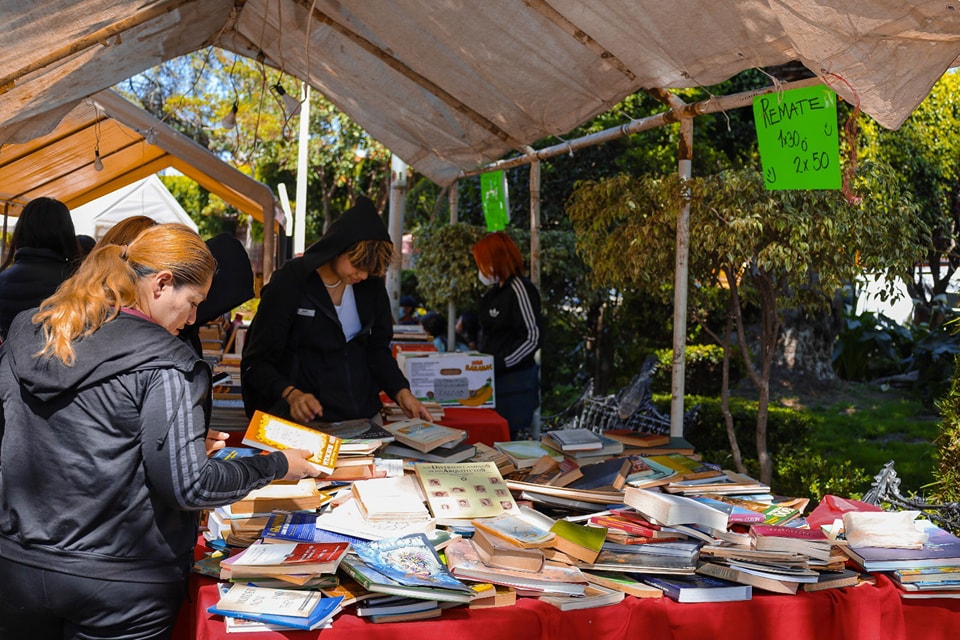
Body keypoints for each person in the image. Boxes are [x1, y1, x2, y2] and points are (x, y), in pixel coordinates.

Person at [0, 223, 320, 640]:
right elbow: (191, 488)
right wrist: (275, 464)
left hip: (18, 567)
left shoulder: (29, 331)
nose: (192, 319)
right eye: (192, 303)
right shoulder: (166, 361)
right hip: (120, 583)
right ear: (161, 283)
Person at [242, 196, 431, 425]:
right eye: (358, 265)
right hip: (301, 422)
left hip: (362, 417)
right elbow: (257, 361)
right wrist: (290, 394)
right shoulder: (292, 281)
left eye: (370, 271)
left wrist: (402, 392)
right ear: (339, 248)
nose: (362, 276)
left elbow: (378, 351)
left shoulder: (370, 288)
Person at [472, 231, 542, 439]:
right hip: (491, 382)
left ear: (495, 260)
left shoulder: (520, 289)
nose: (481, 270)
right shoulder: (493, 293)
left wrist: (499, 363)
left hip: (514, 386)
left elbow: (532, 337)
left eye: (482, 262)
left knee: (508, 440)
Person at [0, 196, 81, 341]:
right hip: (61, 360)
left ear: (21, 230)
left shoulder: (3, 280)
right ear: (67, 233)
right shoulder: (78, 284)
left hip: (9, 360)